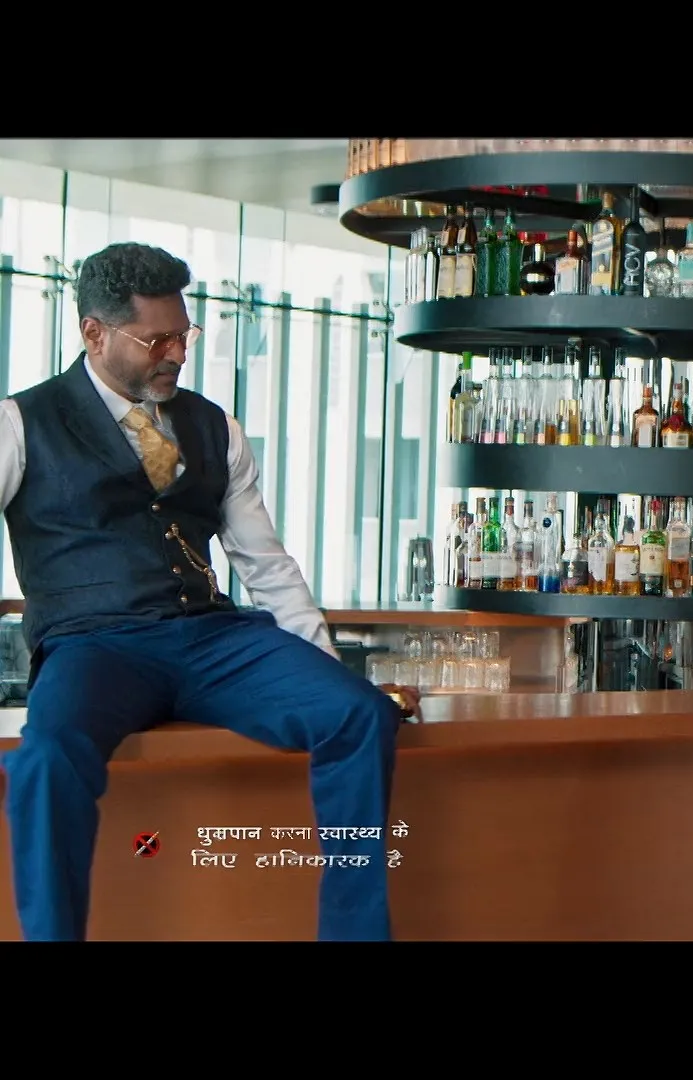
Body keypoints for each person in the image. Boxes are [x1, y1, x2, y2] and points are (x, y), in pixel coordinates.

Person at [0, 242, 416, 941]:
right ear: (95, 333)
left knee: (357, 714)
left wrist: (320, 669)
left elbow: (264, 563)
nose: (177, 354)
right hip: (94, 645)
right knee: (45, 757)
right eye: (156, 340)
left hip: (213, 639)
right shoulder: (19, 423)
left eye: (184, 334)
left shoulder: (214, 425)